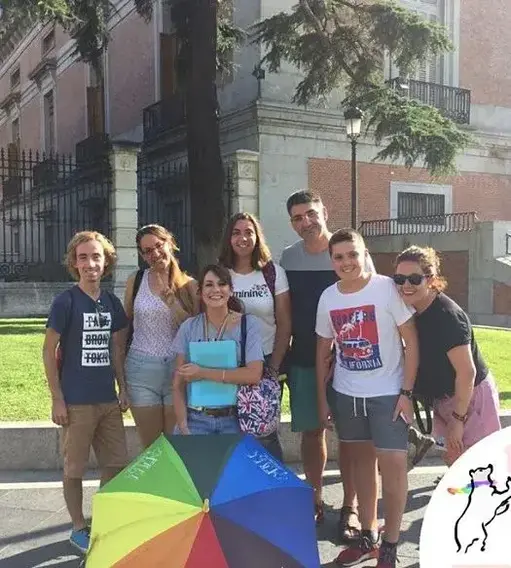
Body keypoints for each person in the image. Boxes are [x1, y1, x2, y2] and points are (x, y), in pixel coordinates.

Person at [316, 228, 419, 568]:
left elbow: (411, 341)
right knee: (362, 466)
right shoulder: (328, 297)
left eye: (352, 254)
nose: (346, 262)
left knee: (393, 468)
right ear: (331, 261)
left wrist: (406, 392)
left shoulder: (386, 288)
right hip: (347, 393)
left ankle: (390, 545)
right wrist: (323, 398)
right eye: (339, 256)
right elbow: (322, 351)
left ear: (364, 254)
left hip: (388, 394)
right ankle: (368, 535)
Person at [280, 190, 375, 537]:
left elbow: (370, 303)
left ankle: (350, 507)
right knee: (311, 431)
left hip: (350, 362)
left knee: (351, 438)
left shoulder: (348, 251)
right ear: (292, 223)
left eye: (310, 213)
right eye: (297, 217)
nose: (306, 222)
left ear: (325, 211)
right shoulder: (288, 257)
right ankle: (315, 497)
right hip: (305, 358)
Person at [42, 231, 129, 554]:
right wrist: (57, 398)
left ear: (106, 261)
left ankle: (102, 519)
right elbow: (48, 351)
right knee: (74, 469)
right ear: (74, 263)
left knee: (116, 464)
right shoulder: (65, 301)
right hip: (76, 402)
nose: (90, 263)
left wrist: (123, 388)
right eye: (83, 257)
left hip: (107, 400)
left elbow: (116, 349)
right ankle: (78, 527)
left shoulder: (111, 302)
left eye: (96, 256)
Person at [394, 245, 501, 467]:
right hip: (443, 399)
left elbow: (467, 372)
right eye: (400, 279)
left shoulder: (447, 316)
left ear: (431, 279)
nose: (406, 285)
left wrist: (458, 420)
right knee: (455, 461)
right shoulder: (413, 310)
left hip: (469, 398)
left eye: (414, 279)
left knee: (482, 468)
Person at [218, 212, 291, 460]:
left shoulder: (273, 273)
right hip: (230, 363)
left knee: (265, 434)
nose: (243, 238)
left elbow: (284, 323)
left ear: (257, 237)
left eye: (249, 232)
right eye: (236, 233)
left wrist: (274, 366)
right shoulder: (221, 274)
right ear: (228, 238)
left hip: (266, 360)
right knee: (232, 432)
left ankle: (272, 483)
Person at [123, 224, 199, 449]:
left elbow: (195, 333)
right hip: (141, 369)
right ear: (142, 255)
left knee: (174, 447)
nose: (155, 254)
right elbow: (125, 327)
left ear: (170, 243)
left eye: (159, 245)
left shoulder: (190, 285)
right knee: (152, 449)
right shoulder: (136, 280)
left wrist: (173, 304)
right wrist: (120, 381)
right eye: (147, 251)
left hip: (177, 370)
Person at [172, 264, 264, 435]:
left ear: (231, 290)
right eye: (209, 284)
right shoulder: (189, 327)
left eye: (222, 284)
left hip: (236, 420)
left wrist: (202, 373)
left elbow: (254, 375)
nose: (216, 289)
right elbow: (177, 384)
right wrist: (183, 426)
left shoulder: (248, 324)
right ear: (200, 292)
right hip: (195, 420)